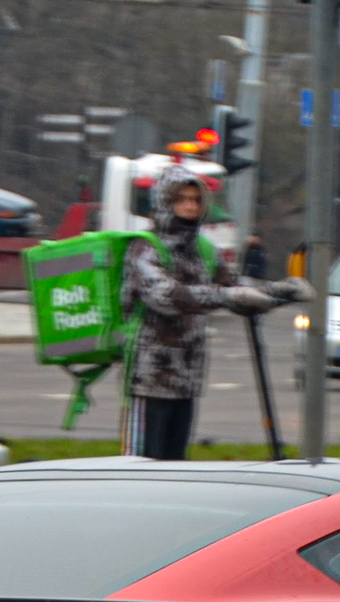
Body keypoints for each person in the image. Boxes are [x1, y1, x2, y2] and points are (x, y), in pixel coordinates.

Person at [122, 165, 307, 461]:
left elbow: (235, 285)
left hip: (187, 380)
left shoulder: (203, 250)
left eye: (196, 200)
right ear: (164, 202)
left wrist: (281, 291)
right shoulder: (145, 247)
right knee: (140, 467)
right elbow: (165, 295)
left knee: (175, 467)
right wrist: (225, 295)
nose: (190, 206)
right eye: (182, 199)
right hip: (149, 381)